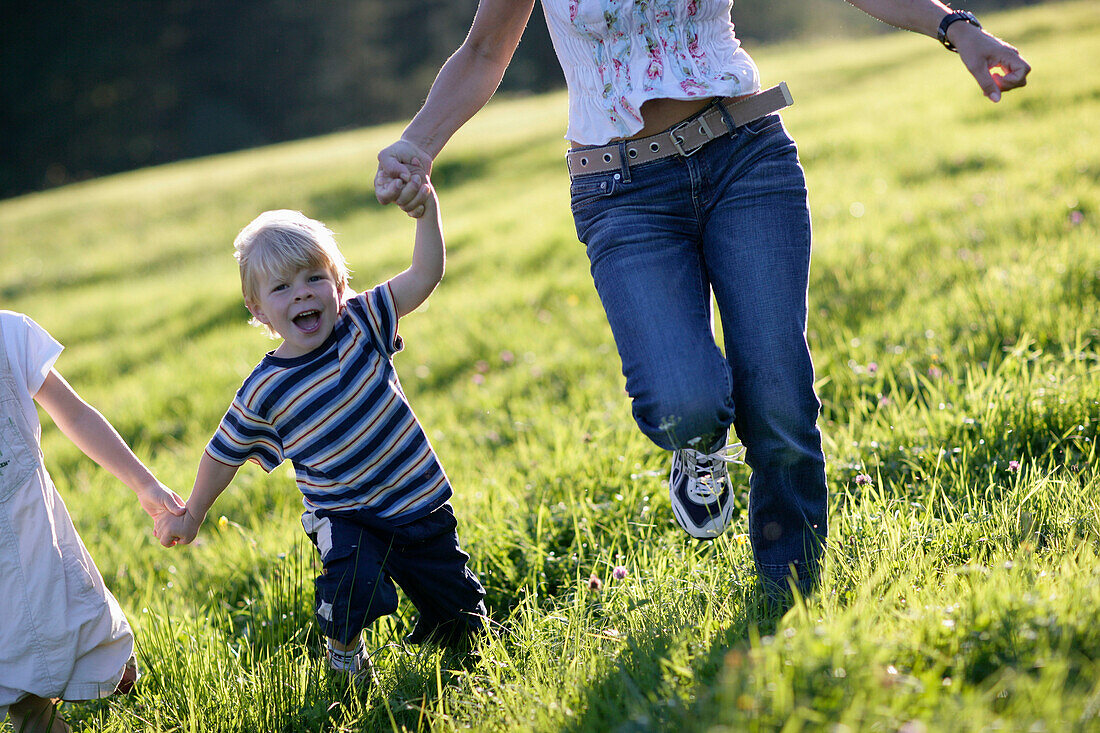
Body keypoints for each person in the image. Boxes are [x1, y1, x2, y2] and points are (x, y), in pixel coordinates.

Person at [373, 1, 1029, 601]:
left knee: (778, 388)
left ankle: (789, 595)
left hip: (747, 156)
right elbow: (485, 51)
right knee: (684, 402)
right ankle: (698, 445)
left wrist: (958, 29)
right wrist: (417, 146)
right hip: (620, 192)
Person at [155, 180, 488, 687]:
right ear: (257, 309)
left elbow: (425, 274)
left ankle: (445, 622)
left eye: (314, 278)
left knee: (467, 628)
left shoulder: (362, 322)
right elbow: (222, 454)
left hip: (418, 503)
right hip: (345, 513)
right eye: (282, 288)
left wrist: (427, 212)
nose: (302, 294)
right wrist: (193, 513)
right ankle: (344, 650)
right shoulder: (265, 388)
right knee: (351, 582)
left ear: (338, 285)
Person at [0, 310, 187, 733]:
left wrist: (145, 484)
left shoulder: (8, 335)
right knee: (25, 699)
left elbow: (77, 415)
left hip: (34, 538)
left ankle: (106, 661)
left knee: (85, 634)